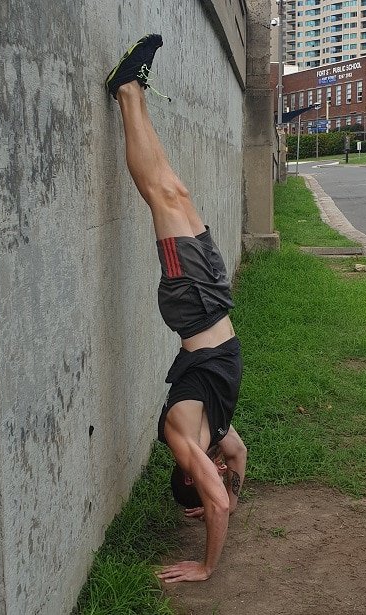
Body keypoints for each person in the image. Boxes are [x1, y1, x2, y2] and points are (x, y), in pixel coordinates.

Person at [105, 34, 247, 583]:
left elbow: (218, 496)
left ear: (190, 475)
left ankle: (126, 93)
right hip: (211, 299)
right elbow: (236, 462)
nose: (218, 474)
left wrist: (208, 565)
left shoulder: (181, 437)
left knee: (161, 196)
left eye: (205, 477)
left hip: (191, 304)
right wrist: (233, 489)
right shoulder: (216, 438)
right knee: (178, 192)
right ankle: (132, 90)